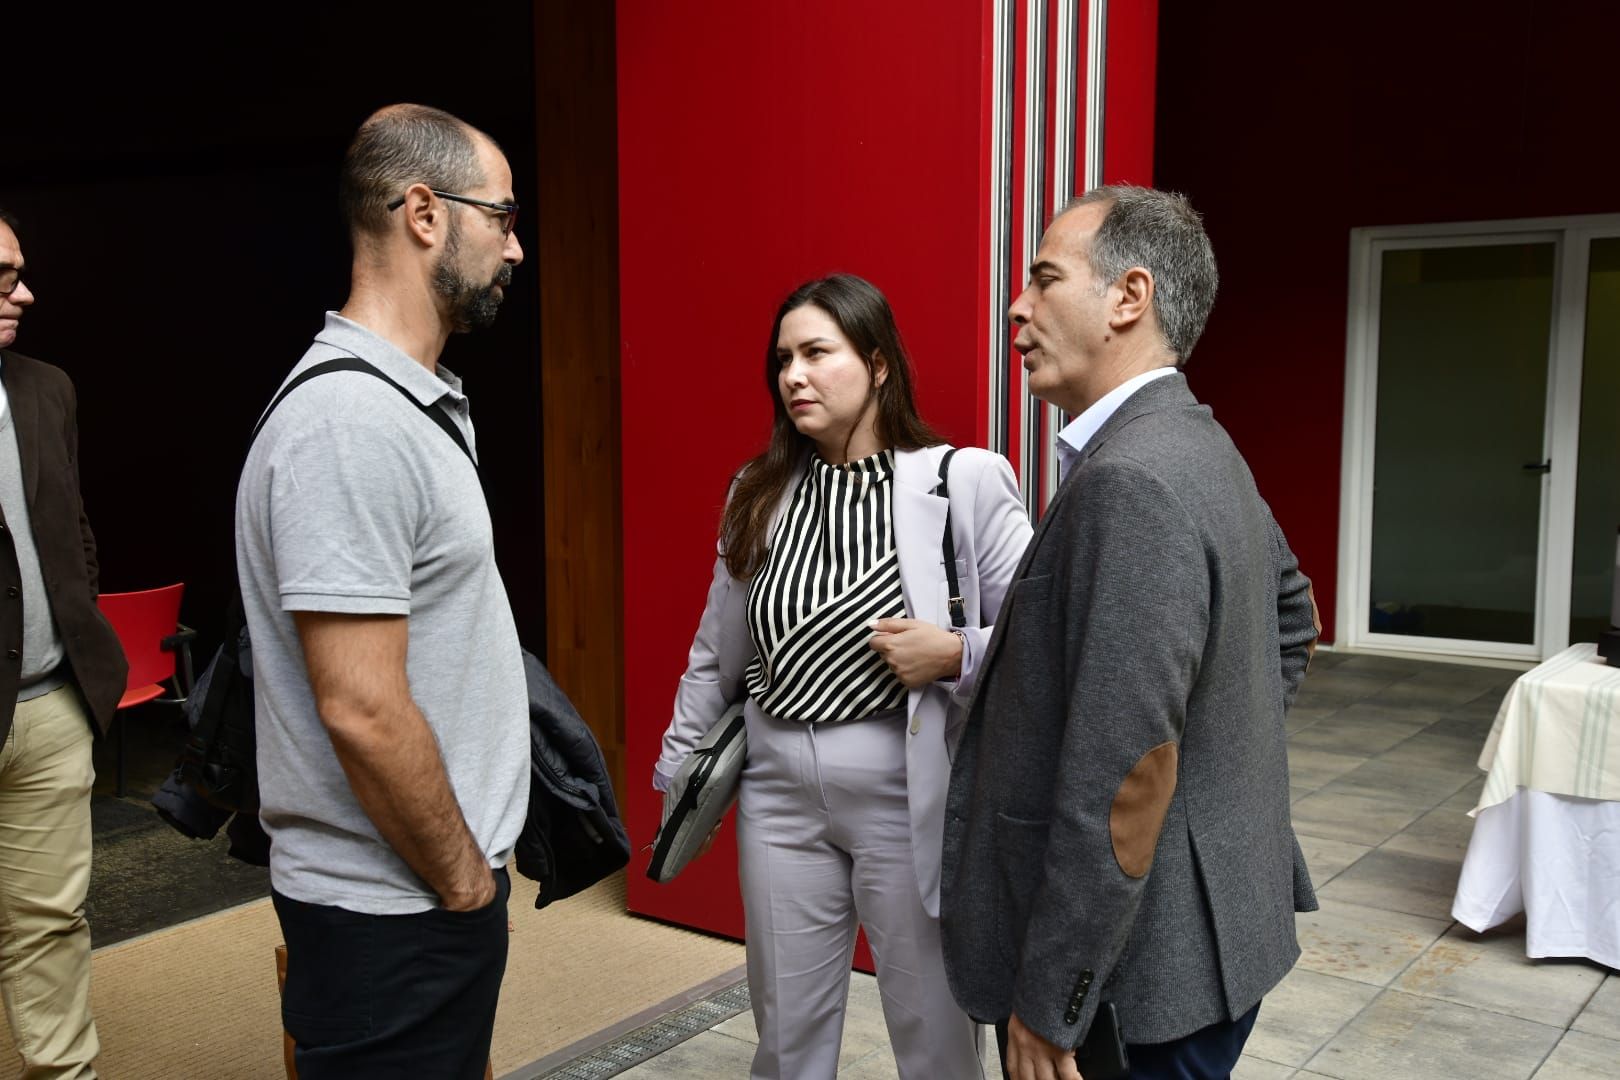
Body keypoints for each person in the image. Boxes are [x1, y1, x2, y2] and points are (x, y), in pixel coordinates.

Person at [940, 186, 1320, 1080]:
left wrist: (1052, 1001)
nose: (1016, 307)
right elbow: (1291, 614)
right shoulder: (1195, 439)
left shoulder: (1133, 480)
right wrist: (1214, 760)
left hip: (1140, 983)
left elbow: (1127, 770)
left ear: (1128, 297)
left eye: (1043, 279)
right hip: (1206, 951)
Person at [654, 273, 1032, 1079]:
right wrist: (678, 767)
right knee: (786, 1034)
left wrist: (956, 652)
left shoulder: (960, 480)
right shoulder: (755, 491)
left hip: (905, 789)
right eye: (783, 358)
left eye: (817, 353)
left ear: (879, 363)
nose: (793, 374)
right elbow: (715, 651)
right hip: (776, 791)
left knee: (933, 1031)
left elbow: (1044, 639)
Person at [235, 104, 526, 1079]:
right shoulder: (349, 424)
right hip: (395, 911)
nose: (516, 247)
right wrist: (463, 885)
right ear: (424, 213)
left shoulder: (409, 400)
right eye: (504, 217)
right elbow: (361, 706)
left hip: (418, 903)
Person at [0, 209, 129, 1078]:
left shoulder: (46, 387)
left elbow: (73, 530)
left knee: (50, 926)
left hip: (47, 709)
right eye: (7, 276)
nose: (27, 293)